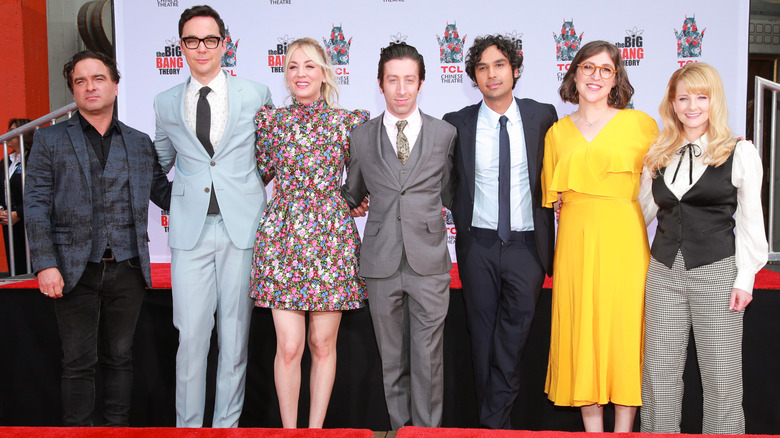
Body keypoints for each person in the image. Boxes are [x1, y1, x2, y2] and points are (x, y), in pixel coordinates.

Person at [24, 50, 171, 426]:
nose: (90, 86)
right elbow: (36, 204)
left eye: (99, 78)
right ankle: (78, 433)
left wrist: (214, 183)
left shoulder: (139, 143)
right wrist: (45, 263)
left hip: (128, 268)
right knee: (77, 363)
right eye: (80, 81)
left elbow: (163, 194)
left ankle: (116, 432)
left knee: (120, 359)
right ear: (73, 90)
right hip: (73, 271)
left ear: (115, 85)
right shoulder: (50, 140)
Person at [153, 5, 273, 428]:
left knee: (235, 338)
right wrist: (177, 201)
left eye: (209, 39)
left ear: (224, 44)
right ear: (181, 46)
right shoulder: (165, 101)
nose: (201, 48)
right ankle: (189, 429)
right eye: (191, 40)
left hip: (242, 229)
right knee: (190, 338)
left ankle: (226, 428)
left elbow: (272, 159)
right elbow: (158, 162)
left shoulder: (256, 94)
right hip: (191, 234)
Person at [639, 62, 768, 434]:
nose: (692, 106)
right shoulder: (658, 153)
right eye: (683, 98)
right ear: (672, 104)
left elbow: (749, 222)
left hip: (717, 272)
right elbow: (641, 210)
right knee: (658, 374)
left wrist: (745, 278)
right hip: (663, 272)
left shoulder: (739, 152)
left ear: (715, 101)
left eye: (701, 97)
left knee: (721, 377)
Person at [541, 40, 657, 432]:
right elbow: (552, 200)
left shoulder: (641, 125)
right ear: (574, 73)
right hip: (575, 241)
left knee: (623, 331)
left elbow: (670, 177)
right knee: (580, 331)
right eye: (588, 67)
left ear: (616, 79)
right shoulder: (556, 133)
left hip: (625, 239)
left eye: (605, 69)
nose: (595, 76)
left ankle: (623, 431)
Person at [251, 37, 367, 429]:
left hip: (330, 239)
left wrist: (358, 198)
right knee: (289, 346)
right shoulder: (270, 122)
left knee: (322, 344)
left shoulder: (347, 122)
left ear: (324, 74)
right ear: (285, 75)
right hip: (282, 238)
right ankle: (289, 431)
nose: (301, 74)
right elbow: (256, 175)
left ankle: (314, 431)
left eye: (309, 66)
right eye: (293, 66)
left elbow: (366, 176)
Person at [443, 34, 557, 429]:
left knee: (512, 343)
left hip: (528, 248)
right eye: (482, 68)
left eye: (499, 65)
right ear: (474, 77)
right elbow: (448, 183)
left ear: (515, 70)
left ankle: (492, 426)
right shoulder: (456, 123)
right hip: (479, 245)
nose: (491, 74)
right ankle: (497, 428)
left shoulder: (544, 116)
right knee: (482, 340)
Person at [341, 42, 457, 429]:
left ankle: (426, 434)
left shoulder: (445, 134)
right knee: (392, 361)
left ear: (421, 83)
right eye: (393, 80)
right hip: (380, 261)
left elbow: (455, 194)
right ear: (380, 84)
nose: (402, 89)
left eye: (409, 79)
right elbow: (352, 192)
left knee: (428, 360)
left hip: (429, 262)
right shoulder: (360, 137)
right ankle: (401, 431)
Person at [2, 118, 33, 275]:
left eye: (12, 131)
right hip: (9, 221)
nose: (7, 135)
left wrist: (19, 213)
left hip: (28, 218)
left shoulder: (33, 159)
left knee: (32, 265)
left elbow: (39, 192)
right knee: (17, 267)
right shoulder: (6, 162)